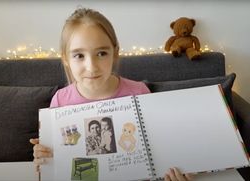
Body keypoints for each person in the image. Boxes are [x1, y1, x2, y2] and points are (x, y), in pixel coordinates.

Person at [29, 7, 193, 181]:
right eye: (79, 55)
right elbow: (56, 164)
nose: (91, 67)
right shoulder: (60, 101)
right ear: (66, 60)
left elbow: (160, 150)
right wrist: (44, 157)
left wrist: (175, 171)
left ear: (115, 53)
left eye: (101, 53)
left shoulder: (139, 92)